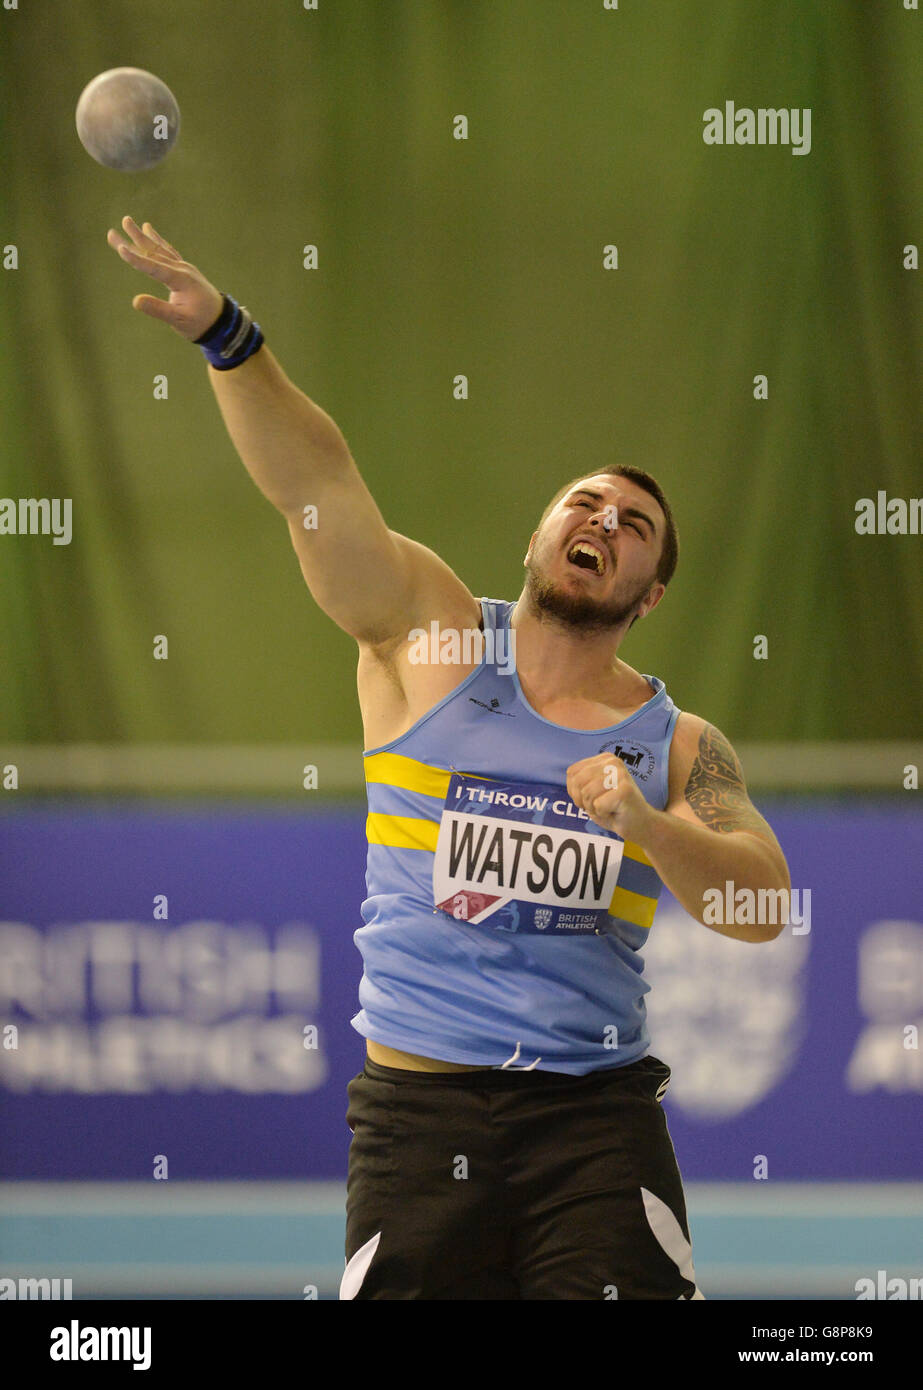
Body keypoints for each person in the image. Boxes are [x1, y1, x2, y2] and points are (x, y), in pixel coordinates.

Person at [108, 216, 792, 1300]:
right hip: (418, 1120)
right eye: (583, 503)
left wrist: (650, 828)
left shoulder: (680, 747)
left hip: (594, 1127)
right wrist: (229, 342)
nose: (603, 520)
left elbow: (761, 908)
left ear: (649, 592)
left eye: (634, 525)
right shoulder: (425, 636)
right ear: (535, 539)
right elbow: (312, 488)